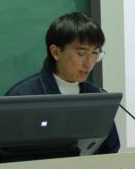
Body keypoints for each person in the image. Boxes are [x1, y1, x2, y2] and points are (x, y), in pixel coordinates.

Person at [6, 12, 120, 154]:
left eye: (95, 53)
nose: (89, 63)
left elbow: (111, 150)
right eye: (81, 54)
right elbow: (4, 154)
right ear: (56, 52)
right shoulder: (22, 97)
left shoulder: (97, 96)